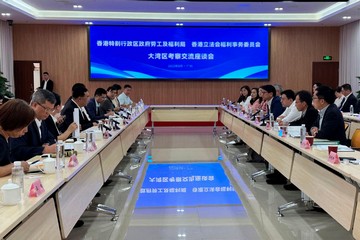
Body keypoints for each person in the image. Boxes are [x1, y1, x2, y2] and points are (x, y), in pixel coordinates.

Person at [10, 90, 57, 161]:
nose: (48, 113)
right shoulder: (22, 119)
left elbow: (51, 138)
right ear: (34, 105)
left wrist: (46, 146)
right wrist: (43, 149)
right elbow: (17, 150)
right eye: (46, 109)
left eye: (51, 110)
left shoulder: (42, 119)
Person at [0, 99, 35, 176]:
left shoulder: (8, 136)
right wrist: (17, 166)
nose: (26, 130)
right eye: (24, 126)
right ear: (13, 121)